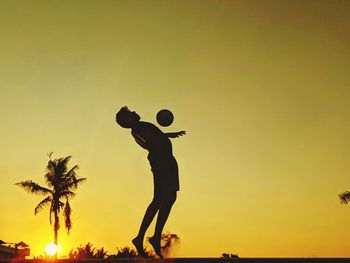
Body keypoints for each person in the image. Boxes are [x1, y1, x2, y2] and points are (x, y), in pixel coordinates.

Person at [115, 106, 185, 258]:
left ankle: (142, 237)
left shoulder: (138, 130)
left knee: (159, 200)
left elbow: (154, 139)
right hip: (163, 163)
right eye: (130, 113)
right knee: (168, 197)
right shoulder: (139, 128)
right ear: (128, 120)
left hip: (162, 162)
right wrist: (165, 137)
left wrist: (167, 135)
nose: (134, 112)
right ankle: (153, 236)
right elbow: (156, 141)